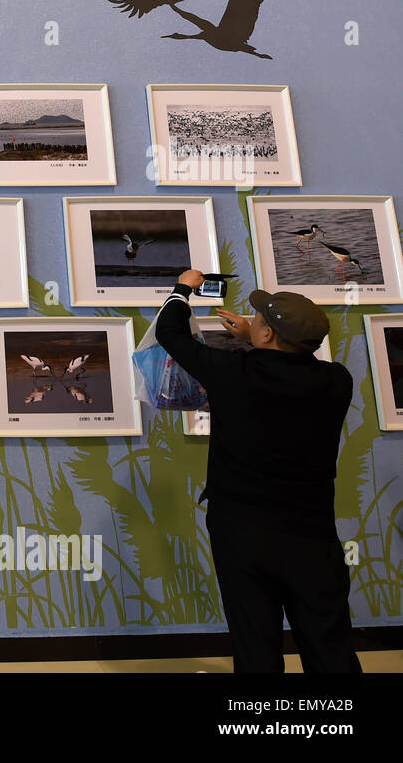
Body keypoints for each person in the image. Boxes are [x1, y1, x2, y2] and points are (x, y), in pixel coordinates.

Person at [155, 270, 362, 673]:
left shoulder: (233, 371)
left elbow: (170, 332)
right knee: (328, 641)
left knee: (255, 643)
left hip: (241, 530)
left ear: (267, 335)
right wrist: (258, 338)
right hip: (311, 532)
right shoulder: (337, 381)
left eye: (261, 322)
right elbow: (293, 362)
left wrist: (184, 286)